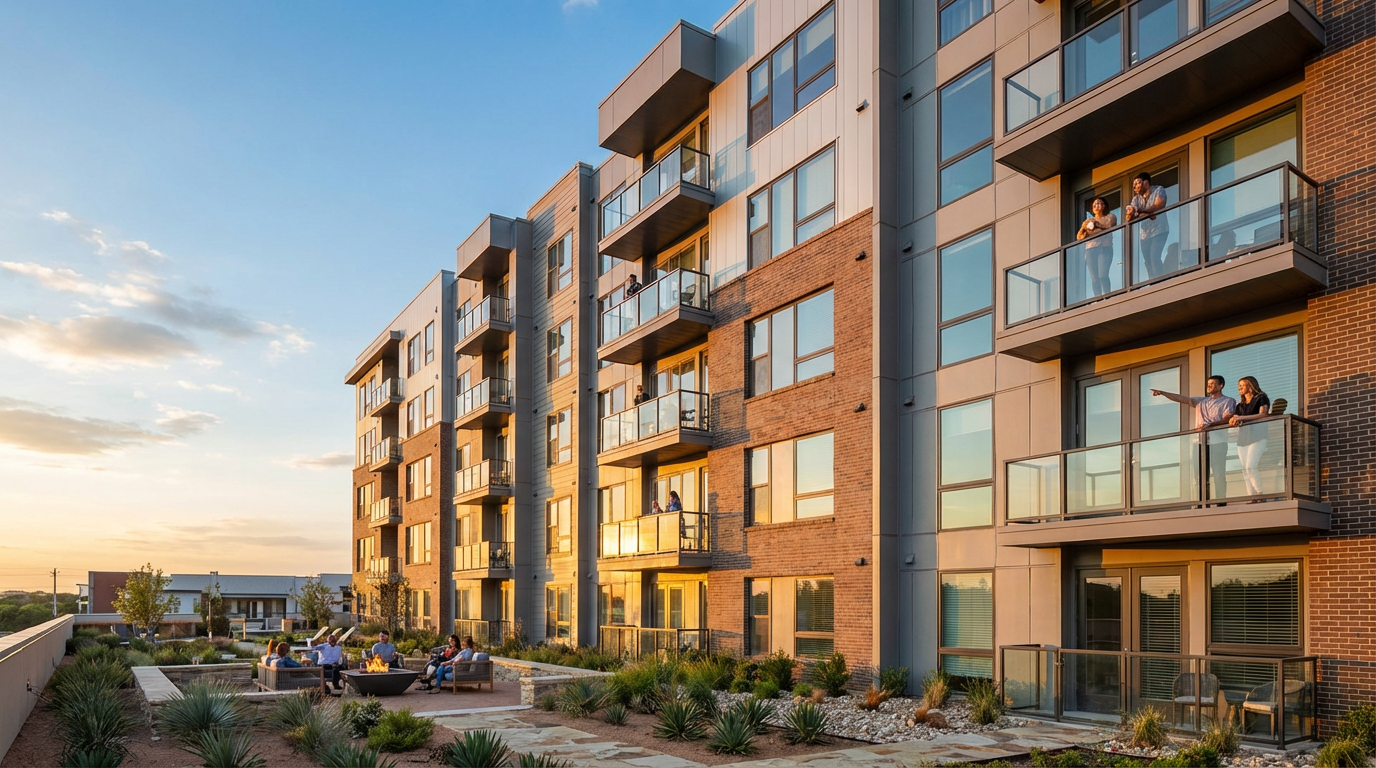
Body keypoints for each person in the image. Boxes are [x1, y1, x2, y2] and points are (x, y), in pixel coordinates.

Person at [1151, 375, 1237, 503]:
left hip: (1218, 443)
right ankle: (1202, 502)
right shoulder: (1201, 401)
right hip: (1199, 443)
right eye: (1208, 383)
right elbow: (1182, 399)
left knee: (1218, 474)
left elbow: (1227, 419)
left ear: (1221, 386)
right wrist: (1163, 393)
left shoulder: (1228, 401)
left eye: (1212, 383)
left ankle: (1221, 503)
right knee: (1199, 476)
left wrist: (1210, 425)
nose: (1209, 386)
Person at [1229, 376, 1272, 500]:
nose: (1239, 388)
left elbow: (1263, 414)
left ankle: (1260, 493)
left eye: (1242, 385)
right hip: (1242, 439)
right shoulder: (1240, 405)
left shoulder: (1261, 398)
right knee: (1245, 469)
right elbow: (1236, 419)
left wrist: (1241, 418)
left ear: (1251, 385)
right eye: (1239, 386)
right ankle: (1251, 496)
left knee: (1250, 466)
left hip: (1258, 436)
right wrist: (1233, 421)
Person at [1125, 172, 1170, 280]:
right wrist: (1131, 213)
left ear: (1146, 182)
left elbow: (1159, 205)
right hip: (1145, 234)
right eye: (1133, 185)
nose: (1135, 187)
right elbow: (1131, 215)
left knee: (1154, 257)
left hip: (1160, 230)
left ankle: (1160, 282)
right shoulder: (1136, 199)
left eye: (1137, 183)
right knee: (1147, 261)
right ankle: (1152, 283)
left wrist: (1142, 211)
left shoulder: (1159, 190)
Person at [1076, 196, 1119, 297]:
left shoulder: (1110, 216)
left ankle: (1107, 296)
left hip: (1105, 248)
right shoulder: (1088, 221)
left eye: (1099, 203)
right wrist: (1084, 229)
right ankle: (1097, 299)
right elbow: (1079, 237)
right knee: (1094, 277)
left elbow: (1110, 226)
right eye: (1094, 204)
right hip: (1091, 250)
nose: (1096, 206)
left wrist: (1098, 225)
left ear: (1104, 206)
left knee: (1103, 275)